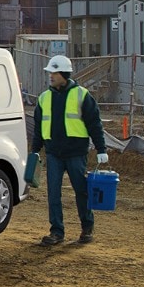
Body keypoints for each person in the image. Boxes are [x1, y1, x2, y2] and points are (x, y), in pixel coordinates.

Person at [31, 54, 108, 246]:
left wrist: (101, 148)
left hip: (76, 153)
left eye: (54, 72)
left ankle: (87, 227)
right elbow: (39, 128)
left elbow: (94, 124)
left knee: (81, 191)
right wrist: (35, 150)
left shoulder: (82, 95)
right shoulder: (44, 98)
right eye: (49, 72)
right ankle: (56, 231)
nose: (50, 76)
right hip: (54, 153)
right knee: (53, 194)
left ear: (64, 73)